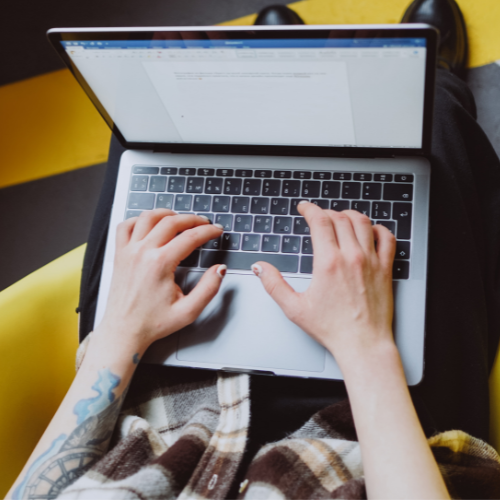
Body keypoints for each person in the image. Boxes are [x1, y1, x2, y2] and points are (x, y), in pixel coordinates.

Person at [7, 0, 500, 498]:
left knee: (159, 142)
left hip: (155, 416)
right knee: (430, 122)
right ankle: (433, 76)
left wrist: (118, 335)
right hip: (369, 432)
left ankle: (277, 74)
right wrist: (366, 345)